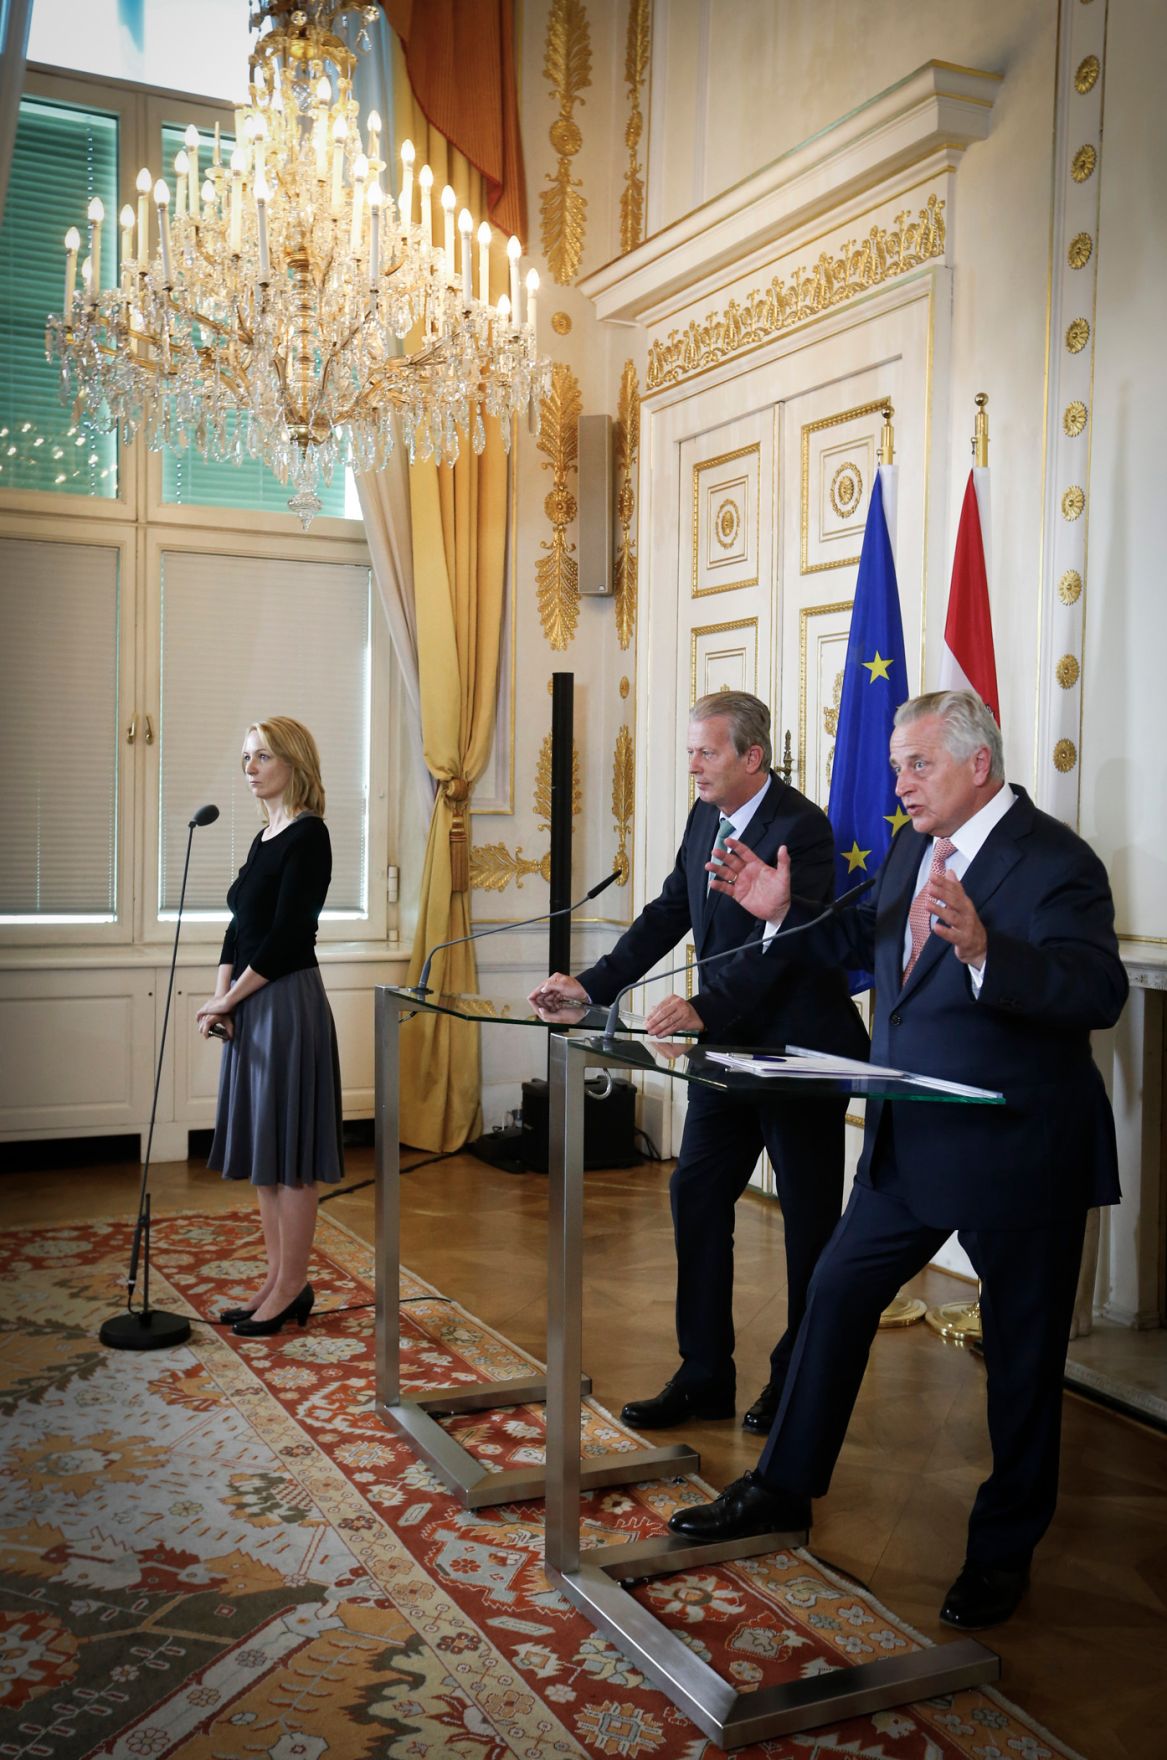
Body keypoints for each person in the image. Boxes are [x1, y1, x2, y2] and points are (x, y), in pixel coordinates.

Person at [668, 689, 1128, 1631]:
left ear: (977, 766)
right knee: (834, 1298)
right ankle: (783, 1487)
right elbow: (856, 940)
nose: (899, 783)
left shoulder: (1055, 860)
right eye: (893, 766)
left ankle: (1002, 1553)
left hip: (1016, 1151)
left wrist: (989, 948)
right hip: (908, 1141)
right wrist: (776, 903)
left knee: (1021, 1359)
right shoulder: (916, 848)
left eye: (916, 765)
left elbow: (1098, 991)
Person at [530, 690, 868, 1434]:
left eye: (704, 752)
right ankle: (704, 1373)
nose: (691, 766)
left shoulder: (801, 827)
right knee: (697, 1195)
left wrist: (706, 1006)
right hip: (725, 1054)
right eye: (689, 751)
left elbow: (785, 947)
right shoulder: (704, 817)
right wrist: (587, 988)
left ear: (751, 756)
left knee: (808, 1221)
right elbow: (665, 913)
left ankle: (797, 1378)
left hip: (796, 1050)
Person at [196, 717, 344, 1337]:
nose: (250, 767)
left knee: (291, 1158)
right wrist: (220, 996)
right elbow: (240, 926)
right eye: (245, 758)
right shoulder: (264, 837)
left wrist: (232, 997)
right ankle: (277, 1279)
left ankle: (291, 1286)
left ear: (293, 761)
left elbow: (287, 938)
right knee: (265, 1152)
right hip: (251, 1002)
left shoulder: (310, 836)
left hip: (286, 1004)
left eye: (261, 756)